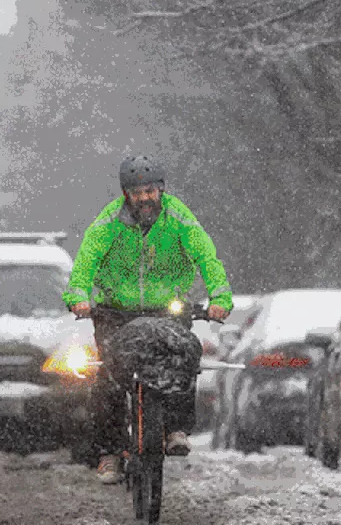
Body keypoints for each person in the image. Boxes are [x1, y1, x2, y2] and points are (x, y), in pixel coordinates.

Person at [62, 154, 233, 484]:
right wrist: (79, 297)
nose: (144, 198)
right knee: (108, 378)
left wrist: (220, 298)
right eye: (136, 192)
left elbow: (207, 257)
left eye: (150, 191)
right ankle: (110, 452)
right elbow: (86, 262)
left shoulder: (180, 218)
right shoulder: (108, 222)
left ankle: (177, 428)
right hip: (115, 311)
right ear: (125, 193)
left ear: (161, 190)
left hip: (166, 309)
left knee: (184, 359)